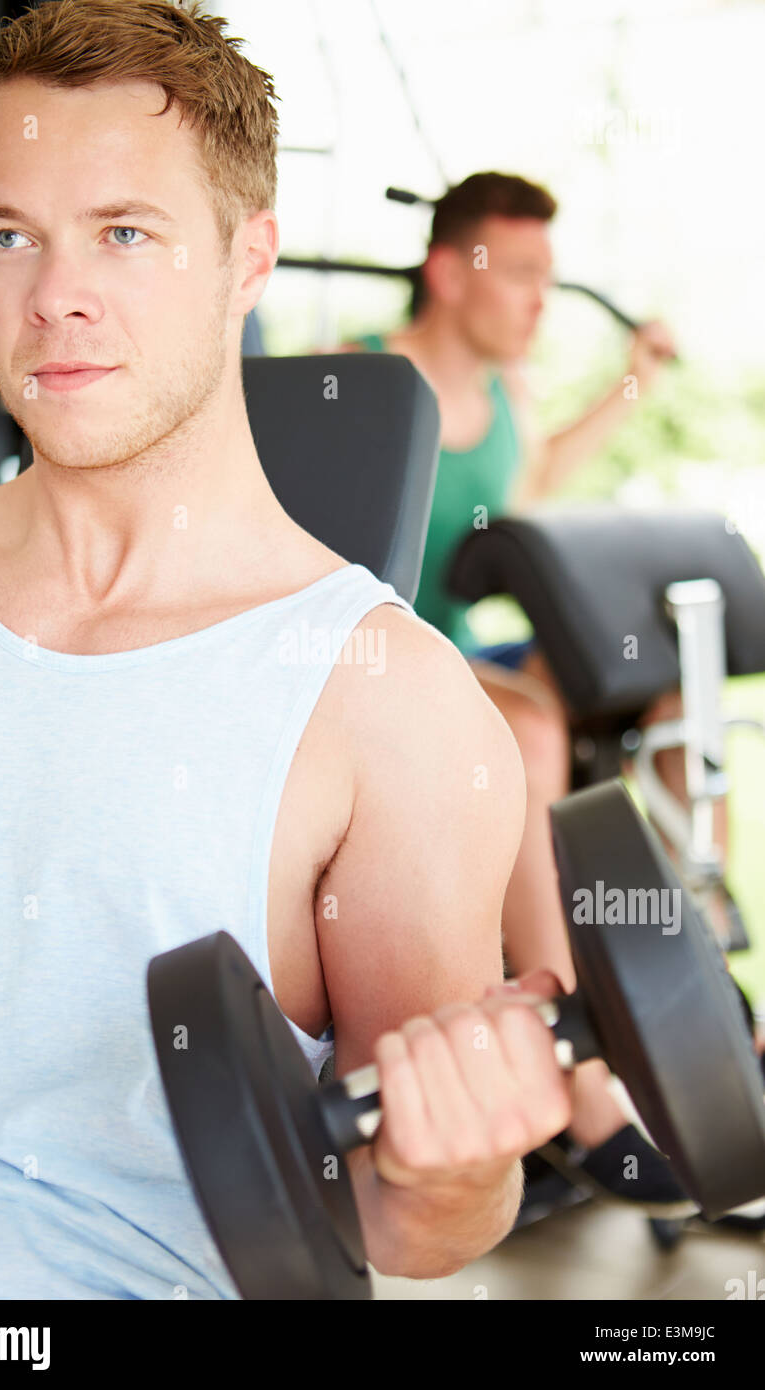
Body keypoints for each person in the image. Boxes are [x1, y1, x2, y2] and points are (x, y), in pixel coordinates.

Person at [0, 0, 581, 1300]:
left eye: (124, 233)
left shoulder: (393, 713)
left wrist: (452, 1164)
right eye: (9, 236)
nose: (54, 299)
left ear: (247, 256)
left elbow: (412, 1214)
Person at [329, 172, 700, 1185]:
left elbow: (530, 487)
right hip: (355, 662)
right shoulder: (350, 377)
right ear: (448, 272)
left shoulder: (504, 397)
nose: (540, 298)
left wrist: (632, 384)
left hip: (452, 651)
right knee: (531, 726)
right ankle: (582, 1087)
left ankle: (692, 972)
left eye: (549, 275)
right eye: (521, 273)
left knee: (654, 683)